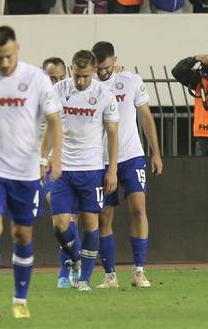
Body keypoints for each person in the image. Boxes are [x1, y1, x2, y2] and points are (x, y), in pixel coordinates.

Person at [0, 26, 63, 319]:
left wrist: (56, 158)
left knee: (22, 234)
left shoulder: (37, 79)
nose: (4, 63)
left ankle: (20, 301)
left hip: (25, 171)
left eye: (8, 56)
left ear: (17, 47)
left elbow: (54, 121)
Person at [42, 50, 119, 292]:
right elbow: (50, 126)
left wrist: (112, 170)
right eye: (77, 75)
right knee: (60, 224)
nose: (81, 81)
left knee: (90, 222)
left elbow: (113, 135)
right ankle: (75, 258)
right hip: (62, 168)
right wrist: (42, 159)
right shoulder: (58, 90)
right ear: (72, 70)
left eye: (85, 76)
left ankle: (84, 279)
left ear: (94, 72)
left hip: (92, 168)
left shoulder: (105, 95)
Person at [92, 41, 163, 289]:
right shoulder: (87, 86)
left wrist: (155, 152)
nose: (102, 72)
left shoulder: (131, 80)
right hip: (100, 159)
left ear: (114, 61)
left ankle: (139, 271)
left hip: (132, 155)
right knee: (103, 217)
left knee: (139, 208)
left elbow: (145, 116)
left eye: (106, 67)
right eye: (98, 68)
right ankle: (110, 275)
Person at [41, 55, 79, 289]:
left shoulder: (72, 96)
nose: (55, 82)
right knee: (61, 218)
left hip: (69, 164)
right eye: (50, 77)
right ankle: (72, 264)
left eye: (59, 77)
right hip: (41, 166)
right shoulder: (32, 98)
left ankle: (69, 269)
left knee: (68, 219)